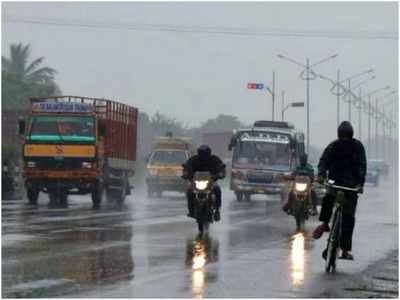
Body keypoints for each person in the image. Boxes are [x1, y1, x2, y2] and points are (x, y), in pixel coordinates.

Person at [313, 121, 366, 260]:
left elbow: (362, 166)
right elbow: (324, 161)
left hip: (351, 187)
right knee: (328, 200)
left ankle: (345, 250)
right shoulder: (333, 146)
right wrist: (321, 175)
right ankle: (324, 224)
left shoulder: (358, 147)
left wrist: (360, 184)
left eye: (346, 136)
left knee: (349, 218)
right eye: (342, 136)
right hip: (335, 183)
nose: (344, 139)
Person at [183, 145, 225, 221]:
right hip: (196, 182)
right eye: (202, 153)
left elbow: (220, 166)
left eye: (205, 153)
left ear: (209, 153)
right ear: (199, 153)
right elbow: (187, 165)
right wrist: (186, 172)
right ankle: (191, 211)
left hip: (211, 182)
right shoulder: (194, 159)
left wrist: (220, 173)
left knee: (217, 189)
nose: (203, 155)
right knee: (189, 191)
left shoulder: (214, 159)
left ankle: (217, 211)